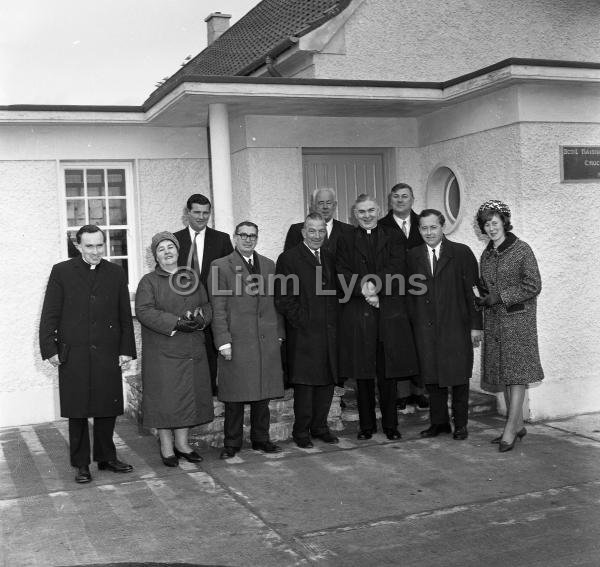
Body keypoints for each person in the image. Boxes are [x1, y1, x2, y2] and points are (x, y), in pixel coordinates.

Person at [39, 225, 136, 484]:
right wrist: (50, 349)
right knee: (78, 410)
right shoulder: (61, 272)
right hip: (74, 352)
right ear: (79, 246)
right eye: (90, 246)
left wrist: (126, 349)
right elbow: (50, 313)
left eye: (100, 245)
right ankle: (81, 463)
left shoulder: (116, 273)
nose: (95, 251)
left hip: (107, 350)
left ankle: (106, 457)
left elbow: (124, 315)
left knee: (107, 406)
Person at [336, 195, 419, 441]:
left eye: (371, 210)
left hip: (386, 310)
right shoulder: (345, 239)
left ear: (378, 210)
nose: (367, 215)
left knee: (387, 373)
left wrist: (375, 288)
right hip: (359, 312)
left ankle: (391, 425)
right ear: (354, 214)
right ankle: (366, 426)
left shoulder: (393, 236)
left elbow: (397, 267)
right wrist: (365, 290)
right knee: (363, 376)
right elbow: (341, 270)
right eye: (361, 212)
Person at [135, 232, 213, 467]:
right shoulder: (148, 282)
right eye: (161, 249)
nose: (167, 252)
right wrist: (175, 322)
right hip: (164, 351)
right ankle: (166, 447)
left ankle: (182, 444)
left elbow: (207, 304)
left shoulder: (191, 277)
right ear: (155, 255)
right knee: (166, 400)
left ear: (178, 251)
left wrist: (202, 319)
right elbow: (144, 311)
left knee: (187, 398)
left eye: (171, 247)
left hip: (191, 350)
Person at [209, 221, 285, 459]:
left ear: (257, 238)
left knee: (263, 393)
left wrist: (279, 333)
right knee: (236, 396)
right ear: (235, 237)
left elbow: (276, 303)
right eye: (243, 235)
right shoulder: (220, 266)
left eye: (252, 236)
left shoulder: (269, 265)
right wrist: (223, 341)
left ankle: (261, 439)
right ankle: (232, 443)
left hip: (266, 339)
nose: (248, 239)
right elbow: (218, 308)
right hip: (237, 341)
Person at [407, 210, 483, 441]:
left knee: (458, 377)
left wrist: (476, 325)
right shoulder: (412, 256)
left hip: (455, 326)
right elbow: (410, 294)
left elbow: (474, 292)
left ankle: (460, 424)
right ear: (419, 230)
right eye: (424, 228)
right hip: (425, 328)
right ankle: (439, 423)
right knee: (432, 378)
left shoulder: (461, 253)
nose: (429, 232)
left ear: (443, 227)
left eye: (433, 227)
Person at [475, 200, 544, 452]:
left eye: (494, 222)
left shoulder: (521, 250)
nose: (491, 228)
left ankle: (510, 430)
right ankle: (517, 424)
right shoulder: (488, 253)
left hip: (518, 322)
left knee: (516, 374)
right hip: (495, 321)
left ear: (504, 221)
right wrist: (483, 296)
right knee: (506, 373)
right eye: (486, 224)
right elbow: (487, 284)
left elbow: (533, 285)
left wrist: (500, 296)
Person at [275, 213, 340, 448]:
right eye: (312, 231)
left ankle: (320, 427)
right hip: (304, 334)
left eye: (321, 231)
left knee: (326, 382)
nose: (317, 235)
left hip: (329, 332)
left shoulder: (331, 257)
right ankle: (301, 432)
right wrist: (304, 321)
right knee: (305, 385)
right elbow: (283, 299)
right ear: (303, 232)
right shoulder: (288, 258)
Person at [173, 193, 233, 394]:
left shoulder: (222, 240)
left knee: (211, 355)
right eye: (196, 212)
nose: (201, 217)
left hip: (213, 308)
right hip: (183, 309)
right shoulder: (174, 240)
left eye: (205, 213)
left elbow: (229, 275)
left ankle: (212, 393)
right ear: (187, 213)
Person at [378, 182, 428, 412]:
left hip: (421, 292)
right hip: (393, 292)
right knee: (397, 342)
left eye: (404, 196)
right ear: (390, 200)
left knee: (420, 339)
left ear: (412, 199)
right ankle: (401, 393)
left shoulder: (424, 224)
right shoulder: (381, 226)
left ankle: (420, 391)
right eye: (396, 196)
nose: (400, 200)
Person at [283, 188, 353, 254]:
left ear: (334, 205)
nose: (325, 207)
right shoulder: (296, 230)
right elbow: (288, 260)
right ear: (313, 206)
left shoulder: (349, 230)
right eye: (321, 203)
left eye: (328, 203)